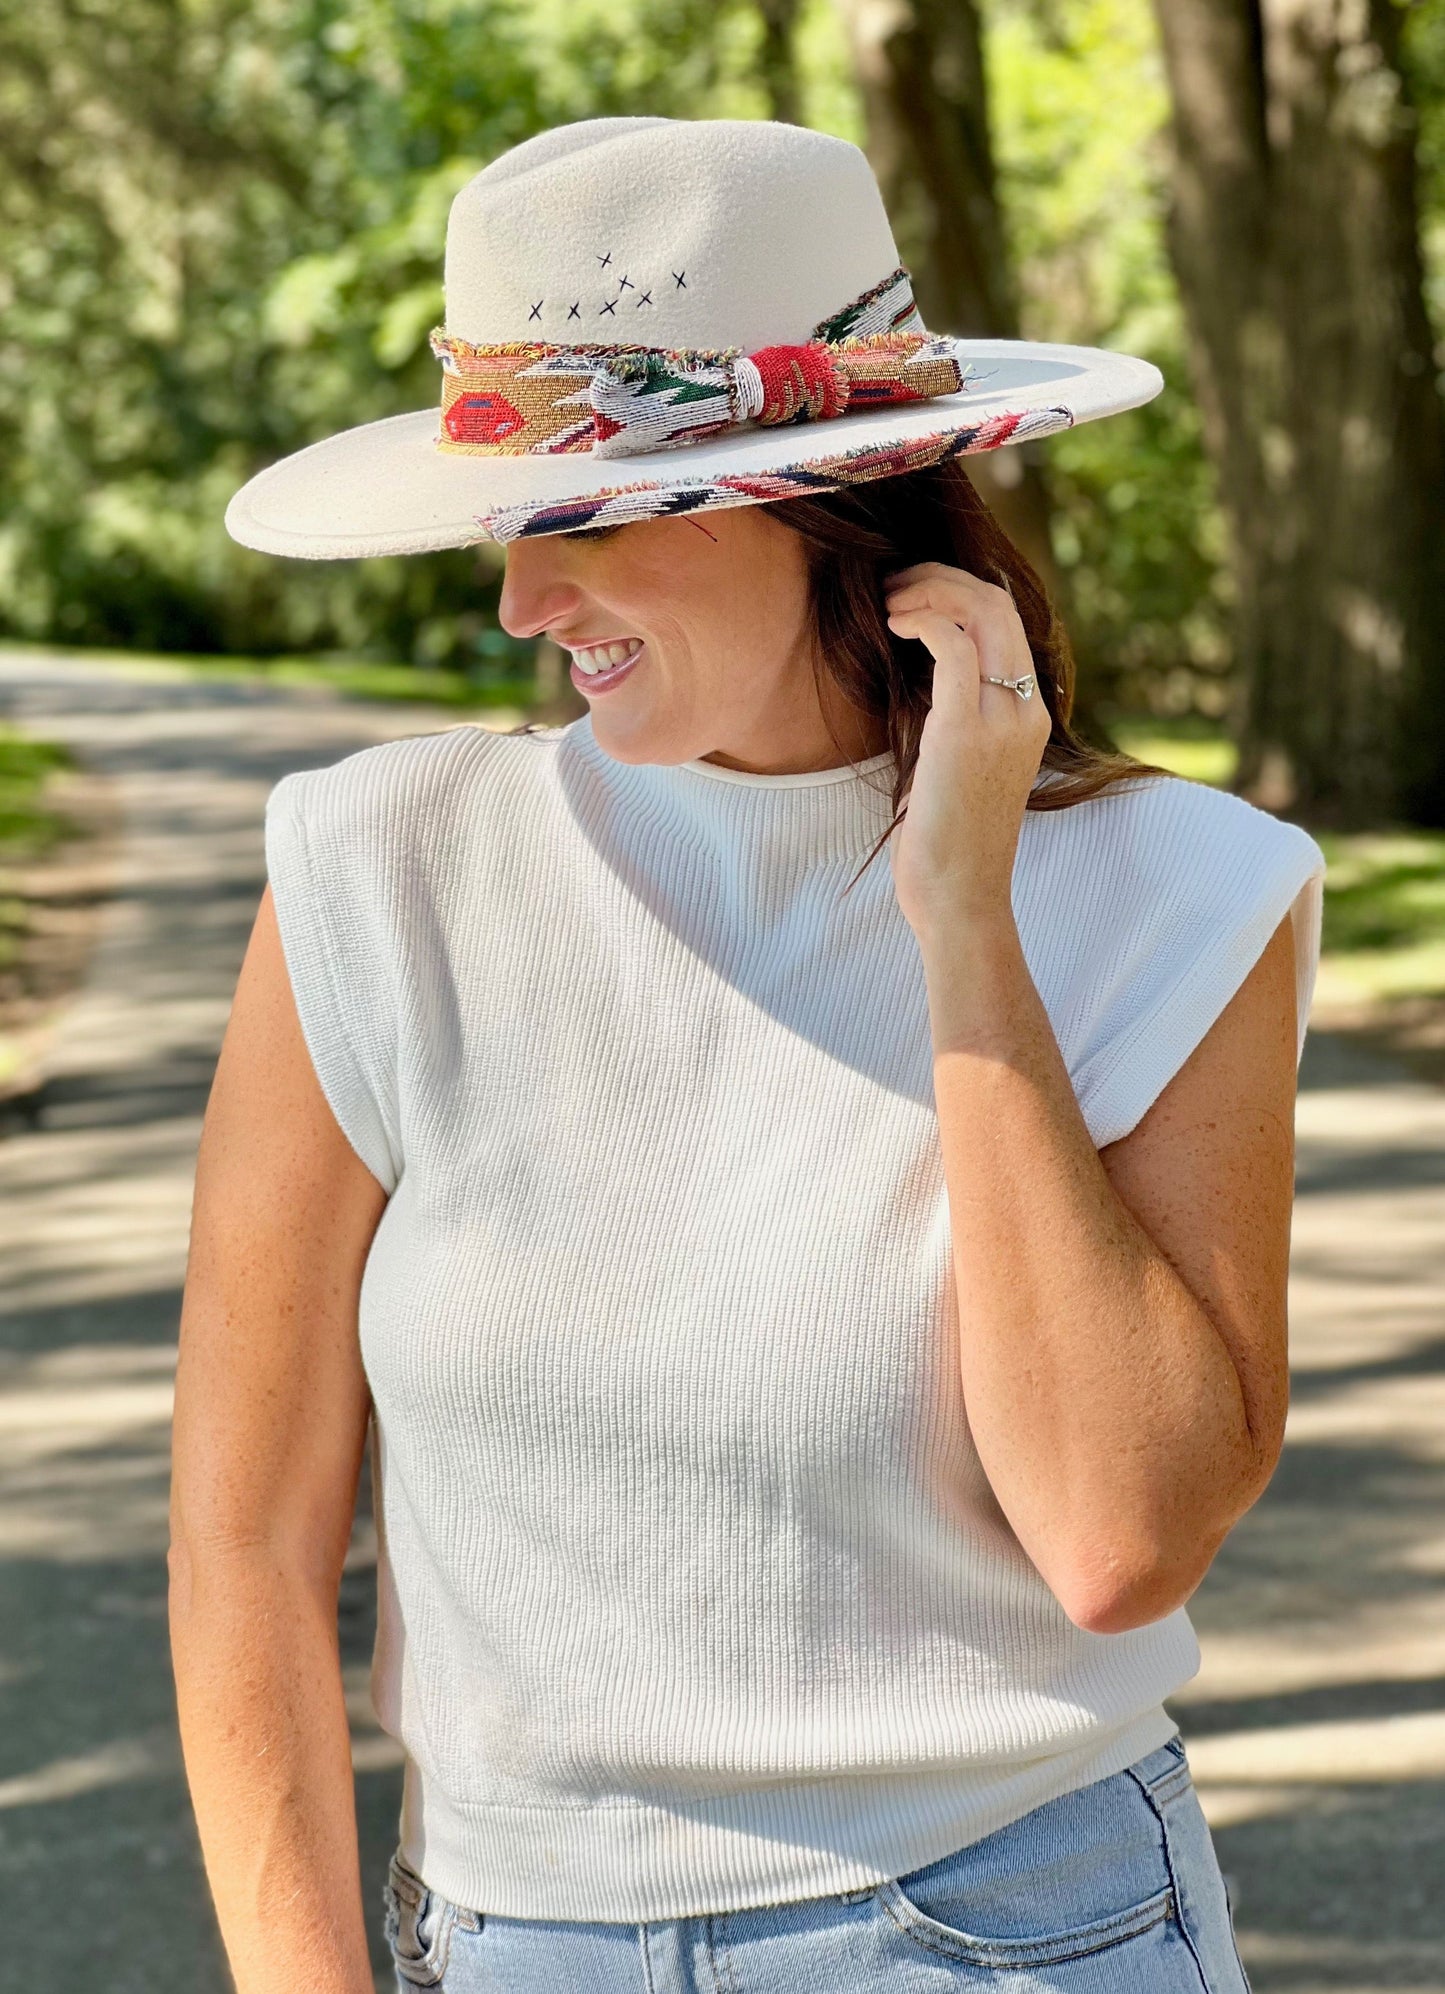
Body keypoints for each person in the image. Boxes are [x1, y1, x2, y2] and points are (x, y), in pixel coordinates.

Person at [169, 117, 1326, 1994]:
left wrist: (962, 912)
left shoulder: (1175, 894)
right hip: (505, 1942)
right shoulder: (378, 874)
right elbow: (242, 1555)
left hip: (1009, 1934)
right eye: (509, 533)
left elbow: (1119, 1536)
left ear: (832, 504)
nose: (520, 612)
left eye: (585, 525)